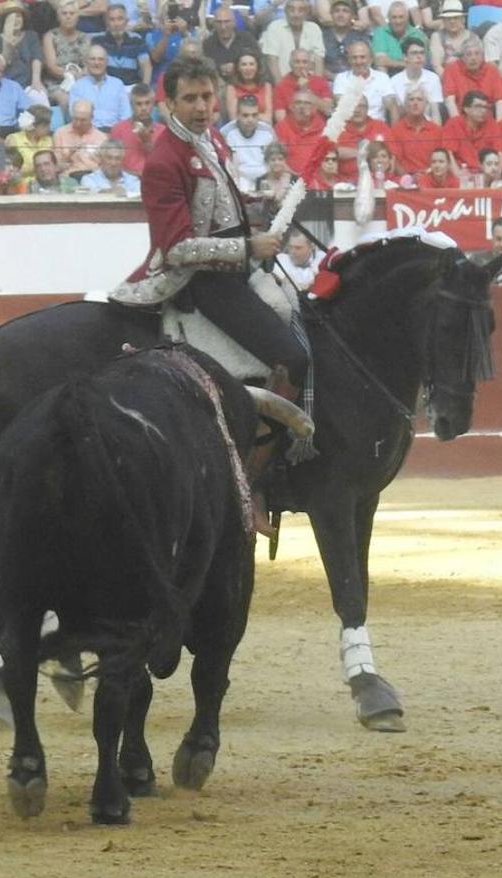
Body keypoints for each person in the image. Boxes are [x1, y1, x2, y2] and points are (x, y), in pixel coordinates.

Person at [110, 56, 309, 533]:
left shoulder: (209, 138)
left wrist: (259, 209)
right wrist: (246, 246)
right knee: (291, 357)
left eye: (206, 97)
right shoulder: (163, 160)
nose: (201, 106)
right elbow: (176, 248)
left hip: (232, 270)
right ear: (169, 102)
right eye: (190, 99)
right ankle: (252, 483)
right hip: (202, 281)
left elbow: (221, 206)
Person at [333, 41, 398, 125]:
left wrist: (394, 136)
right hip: (350, 128)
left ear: (371, 59)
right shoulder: (341, 78)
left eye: (362, 57)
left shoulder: (382, 78)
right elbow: (342, 108)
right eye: (354, 58)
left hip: (377, 128)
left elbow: (393, 108)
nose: (358, 61)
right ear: (349, 60)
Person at [42, 0, 91, 111]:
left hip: (81, 79)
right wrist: (69, 75)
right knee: (67, 100)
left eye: (72, 13)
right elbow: (51, 67)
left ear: (77, 17)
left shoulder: (85, 37)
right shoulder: (50, 36)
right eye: (64, 14)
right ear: (58, 17)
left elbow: (88, 65)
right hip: (57, 83)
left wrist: (79, 76)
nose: (68, 17)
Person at [260, 0, 325, 83]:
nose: (296, 14)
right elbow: (272, 60)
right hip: (282, 82)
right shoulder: (275, 27)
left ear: (306, 13)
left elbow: (319, 59)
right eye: (292, 10)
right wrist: (281, 87)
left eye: (300, 10)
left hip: (310, 83)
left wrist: (317, 85)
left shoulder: (314, 28)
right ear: (285, 11)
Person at [68, 46, 131, 130]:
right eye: (92, 59)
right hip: (88, 133)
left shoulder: (118, 84)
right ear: (86, 62)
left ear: (107, 62)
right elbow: (75, 116)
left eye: (101, 59)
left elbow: (126, 115)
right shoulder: (78, 87)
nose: (96, 63)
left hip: (114, 133)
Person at [442, 36, 502, 119]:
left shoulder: (492, 70)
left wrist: (499, 127)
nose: (473, 58)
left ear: (483, 56)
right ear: (462, 57)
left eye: (477, 53)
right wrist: (458, 125)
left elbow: (500, 101)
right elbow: (450, 101)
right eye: (469, 54)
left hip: (487, 121)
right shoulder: (452, 69)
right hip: (462, 119)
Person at [221, 94, 275, 190]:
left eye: (254, 115)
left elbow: (275, 160)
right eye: (245, 115)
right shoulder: (225, 133)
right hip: (238, 179)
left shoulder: (268, 131)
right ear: (237, 115)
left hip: (265, 179)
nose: (250, 120)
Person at [441, 89, 502, 173]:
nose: (483, 111)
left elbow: (500, 153)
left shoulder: (491, 124)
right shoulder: (453, 124)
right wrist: (459, 177)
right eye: (478, 106)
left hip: (487, 174)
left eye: (485, 107)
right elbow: (448, 155)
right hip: (462, 173)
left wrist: (496, 175)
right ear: (466, 109)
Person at [0, 6, 45, 93]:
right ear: (5, 21)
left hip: (29, 85)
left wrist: (36, 80)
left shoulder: (31, 36)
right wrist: (7, 39)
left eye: (18, 16)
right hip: (3, 86)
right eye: (11, 18)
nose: (16, 20)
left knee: (40, 95)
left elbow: (37, 58)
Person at [110, 84, 165, 176]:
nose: (143, 108)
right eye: (139, 104)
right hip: (126, 182)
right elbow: (112, 162)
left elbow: (163, 164)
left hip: (155, 180)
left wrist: (147, 143)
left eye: (147, 103)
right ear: (131, 105)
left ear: (153, 104)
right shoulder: (118, 129)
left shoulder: (163, 131)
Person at [388, 85, 441, 176]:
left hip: (431, 179)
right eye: (411, 99)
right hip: (405, 182)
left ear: (426, 104)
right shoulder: (396, 130)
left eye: (419, 99)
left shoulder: (436, 130)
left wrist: (428, 176)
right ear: (405, 104)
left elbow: (440, 160)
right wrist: (410, 178)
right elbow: (395, 162)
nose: (415, 103)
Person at [93, 3, 151, 86]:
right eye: (112, 19)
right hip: (106, 86)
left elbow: (146, 67)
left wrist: (145, 88)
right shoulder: (99, 41)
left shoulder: (136, 39)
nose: (116, 24)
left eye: (120, 19)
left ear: (126, 21)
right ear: (107, 22)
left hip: (131, 87)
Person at [336, 97, 392, 180]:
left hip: (379, 180)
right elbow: (332, 152)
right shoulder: (338, 128)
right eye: (353, 106)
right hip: (346, 182)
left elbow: (393, 157)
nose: (357, 110)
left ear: (367, 109)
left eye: (361, 106)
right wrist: (364, 152)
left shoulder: (381, 127)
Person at [203, 3, 260, 84]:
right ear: (214, 24)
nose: (223, 26)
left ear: (234, 22)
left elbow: (260, 64)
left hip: (245, 86)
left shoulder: (247, 39)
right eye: (219, 22)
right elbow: (205, 70)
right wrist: (220, 68)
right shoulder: (207, 44)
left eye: (227, 22)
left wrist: (237, 67)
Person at [272, 48, 332, 125]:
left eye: (305, 62)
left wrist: (307, 91)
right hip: (292, 130)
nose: (301, 66)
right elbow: (280, 119)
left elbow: (328, 110)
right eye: (297, 62)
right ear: (290, 64)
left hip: (318, 130)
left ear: (310, 65)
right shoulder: (281, 86)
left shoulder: (321, 81)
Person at [275, 88, 326, 176]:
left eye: (307, 103)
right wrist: (296, 176)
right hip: (290, 178)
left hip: (317, 179)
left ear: (315, 108)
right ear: (291, 107)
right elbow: (277, 159)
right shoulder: (281, 128)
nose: (302, 106)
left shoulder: (325, 129)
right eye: (298, 102)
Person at [391, 36, 443, 121]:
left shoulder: (433, 78)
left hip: (428, 128)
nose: (419, 57)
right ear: (405, 57)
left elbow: (435, 113)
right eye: (414, 53)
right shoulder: (394, 81)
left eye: (422, 53)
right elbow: (396, 117)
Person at [53, 99, 107, 177]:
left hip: (92, 178)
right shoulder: (60, 133)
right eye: (75, 119)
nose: (78, 124)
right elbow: (56, 165)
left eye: (83, 120)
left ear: (92, 117)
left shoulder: (101, 138)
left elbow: (105, 167)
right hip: (68, 178)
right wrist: (69, 154)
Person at [371, 1, 427, 75]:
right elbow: (380, 61)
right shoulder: (381, 32)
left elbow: (419, 62)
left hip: (413, 75)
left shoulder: (417, 34)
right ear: (388, 18)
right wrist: (406, 63)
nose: (398, 21)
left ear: (407, 18)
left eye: (401, 17)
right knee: (380, 67)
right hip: (389, 75)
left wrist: (390, 62)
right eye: (394, 17)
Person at [321, 0, 369, 82]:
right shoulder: (323, 36)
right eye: (337, 11)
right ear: (331, 15)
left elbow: (367, 63)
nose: (341, 15)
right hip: (329, 81)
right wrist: (336, 79)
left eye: (345, 11)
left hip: (356, 80)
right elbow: (318, 64)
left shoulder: (360, 36)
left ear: (352, 16)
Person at [225, 51, 274, 126]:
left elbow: (268, 119)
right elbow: (233, 119)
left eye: (251, 64)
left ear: (257, 67)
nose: (248, 68)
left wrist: (245, 115)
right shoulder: (232, 87)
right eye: (244, 65)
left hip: (263, 128)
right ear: (238, 68)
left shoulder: (266, 86)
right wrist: (258, 116)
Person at [5, 104, 54, 176]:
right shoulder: (13, 140)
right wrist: (39, 168)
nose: (49, 128)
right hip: (20, 183)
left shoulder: (49, 140)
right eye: (45, 125)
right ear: (33, 126)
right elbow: (9, 171)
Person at [429, 0, 469, 78]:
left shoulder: (471, 37)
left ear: (463, 19)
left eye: (456, 18)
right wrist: (451, 82)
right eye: (448, 18)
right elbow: (437, 66)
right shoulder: (437, 37)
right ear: (443, 20)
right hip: (445, 80)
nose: (452, 21)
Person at [256, 140, 294, 204]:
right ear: (267, 161)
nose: (277, 163)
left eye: (280, 159)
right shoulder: (261, 181)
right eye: (273, 160)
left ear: (285, 160)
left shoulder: (295, 180)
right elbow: (262, 206)